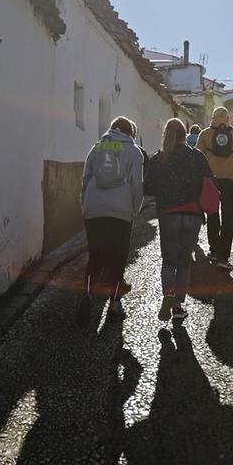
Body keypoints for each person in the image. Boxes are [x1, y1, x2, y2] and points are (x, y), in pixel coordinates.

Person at [144, 117, 214, 324]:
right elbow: (211, 181)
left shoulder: (159, 158)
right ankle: (178, 306)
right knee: (184, 263)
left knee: (168, 260)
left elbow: (148, 187)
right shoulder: (197, 156)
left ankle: (168, 296)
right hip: (193, 215)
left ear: (166, 134)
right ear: (185, 135)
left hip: (168, 214)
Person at [78, 116, 144, 324]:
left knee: (95, 256)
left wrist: (86, 205)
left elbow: (85, 179)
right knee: (118, 258)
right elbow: (137, 186)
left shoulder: (96, 148)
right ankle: (114, 305)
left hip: (93, 208)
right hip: (120, 210)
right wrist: (134, 209)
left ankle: (87, 293)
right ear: (130, 133)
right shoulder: (134, 151)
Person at [196, 106, 233, 271]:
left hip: (211, 181)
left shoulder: (205, 134)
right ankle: (223, 257)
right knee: (228, 217)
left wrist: (200, 179)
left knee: (212, 214)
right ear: (227, 119)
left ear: (213, 117)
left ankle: (213, 250)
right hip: (230, 181)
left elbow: (197, 158)